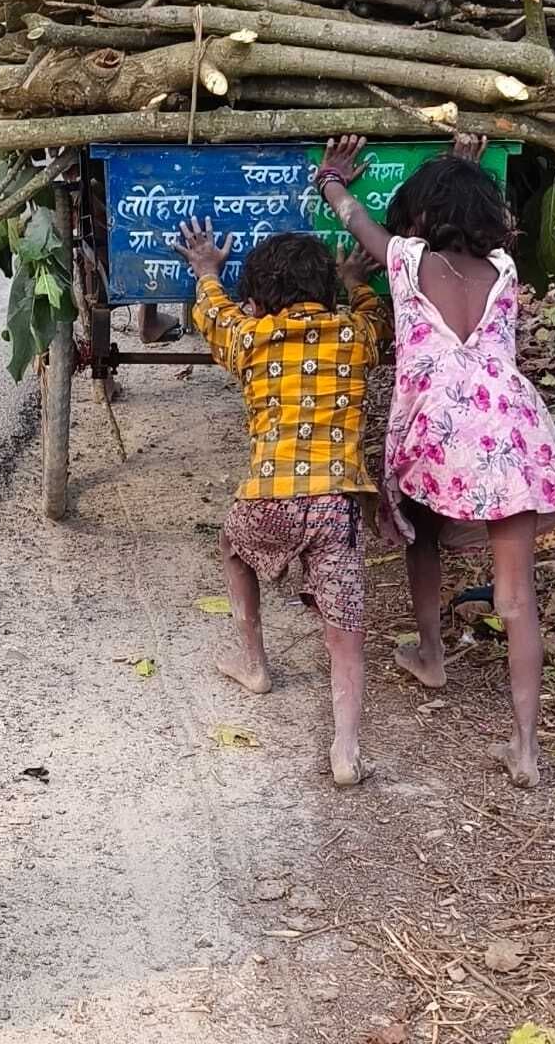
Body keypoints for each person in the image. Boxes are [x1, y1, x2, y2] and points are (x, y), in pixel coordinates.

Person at [314, 133, 555, 788]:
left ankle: (431, 652)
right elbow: (468, 217)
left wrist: (330, 176)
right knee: (517, 600)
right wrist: (464, 166)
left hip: (436, 435)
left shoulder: (408, 262)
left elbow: (352, 215)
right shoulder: (504, 270)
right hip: (513, 433)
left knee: (419, 536)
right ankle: (524, 750)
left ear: (421, 218)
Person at [174, 222, 387, 787]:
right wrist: (356, 283)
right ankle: (345, 747)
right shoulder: (355, 334)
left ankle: (254, 662)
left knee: (232, 546)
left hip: (268, 495)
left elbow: (214, 315)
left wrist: (206, 271)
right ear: (327, 289)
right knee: (346, 625)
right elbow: (377, 319)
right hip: (335, 503)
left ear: (263, 294)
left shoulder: (253, 336)